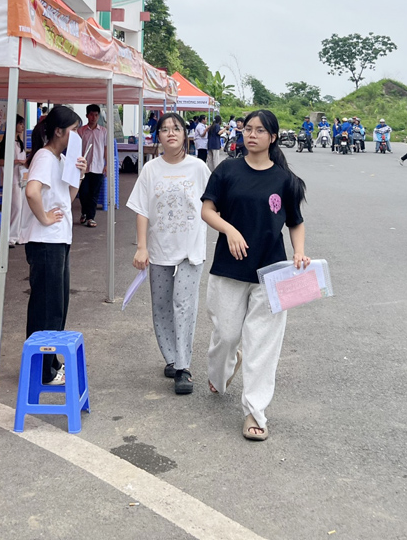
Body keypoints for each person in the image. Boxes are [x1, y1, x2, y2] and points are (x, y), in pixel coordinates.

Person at [201, 109, 309, 441]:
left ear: (273, 137)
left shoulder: (285, 180)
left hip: (271, 272)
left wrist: (299, 252)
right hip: (229, 268)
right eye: (248, 128)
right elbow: (207, 209)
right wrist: (229, 230)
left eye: (260, 130)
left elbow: (295, 222)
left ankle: (254, 411)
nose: (252, 134)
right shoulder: (227, 170)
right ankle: (223, 369)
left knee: (263, 345)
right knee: (227, 335)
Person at [128, 113, 212, 395]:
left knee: (184, 305)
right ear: (158, 137)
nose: (170, 133)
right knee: (161, 305)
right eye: (164, 129)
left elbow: (213, 203)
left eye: (176, 128)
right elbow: (142, 210)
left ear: (185, 134)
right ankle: (172, 357)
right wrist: (142, 247)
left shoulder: (198, 167)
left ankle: (183, 367)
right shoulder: (150, 169)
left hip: (191, 249)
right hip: (159, 248)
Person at [18, 106, 88, 385]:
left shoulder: (60, 158)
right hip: (46, 241)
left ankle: (49, 362)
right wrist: (44, 217)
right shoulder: (45, 157)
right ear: (58, 131)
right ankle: (43, 370)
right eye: (73, 130)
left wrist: (79, 175)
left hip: (58, 239)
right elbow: (31, 191)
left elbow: (66, 198)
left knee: (56, 305)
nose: (77, 136)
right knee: (47, 306)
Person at [0, 115, 28, 248]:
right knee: (15, 207)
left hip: (21, 178)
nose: (22, 126)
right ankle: (10, 236)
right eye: (20, 124)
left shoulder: (20, 142)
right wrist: (17, 161)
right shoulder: (6, 142)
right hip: (12, 179)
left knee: (21, 207)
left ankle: (17, 234)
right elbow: (1, 161)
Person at [77, 104, 106, 228]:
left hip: (98, 167)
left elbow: (106, 148)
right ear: (87, 116)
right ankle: (84, 212)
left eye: (96, 115)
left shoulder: (104, 131)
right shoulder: (81, 131)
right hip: (84, 167)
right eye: (91, 115)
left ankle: (90, 217)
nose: (93, 117)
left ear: (98, 116)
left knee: (94, 194)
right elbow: (76, 148)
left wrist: (107, 164)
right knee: (83, 193)